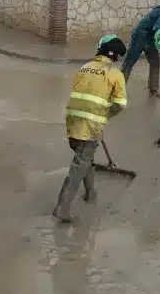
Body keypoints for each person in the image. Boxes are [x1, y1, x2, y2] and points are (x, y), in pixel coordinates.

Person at [53, 35, 128, 223]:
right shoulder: (115, 74)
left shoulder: (84, 67)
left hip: (72, 120)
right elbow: (121, 104)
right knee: (79, 165)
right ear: (115, 56)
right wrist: (104, 116)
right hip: (91, 126)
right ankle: (61, 208)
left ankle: (91, 193)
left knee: (84, 158)